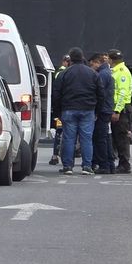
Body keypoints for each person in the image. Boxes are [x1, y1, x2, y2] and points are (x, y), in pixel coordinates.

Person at [51, 47, 99, 175]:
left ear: (70, 59)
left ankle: (68, 166)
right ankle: (87, 166)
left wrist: (57, 113)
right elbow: (100, 93)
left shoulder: (64, 74)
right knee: (86, 139)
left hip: (68, 109)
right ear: (82, 58)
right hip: (88, 110)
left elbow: (56, 94)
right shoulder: (92, 73)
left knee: (68, 138)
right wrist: (97, 110)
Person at [108, 49, 132, 174]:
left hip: (121, 109)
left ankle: (124, 164)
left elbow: (122, 93)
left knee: (121, 138)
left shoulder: (122, 72)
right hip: (119, 108)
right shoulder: (116, 71)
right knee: (117, 137)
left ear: (110, 59)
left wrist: (117, 110)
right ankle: (121, 162)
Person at [90, 52, 116, 174]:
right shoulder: (106, 72)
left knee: (100, 138)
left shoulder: (102, 75)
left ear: (97, 62)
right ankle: (110, 164)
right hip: (107, 108)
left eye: (92, 64)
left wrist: (96, 110)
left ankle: (104, 164)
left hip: (103, 109)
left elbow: (99, 93)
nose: (92, 67)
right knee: (105, 137)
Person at [48, 52, 72, 166]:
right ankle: (57, 155)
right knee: (62, 131)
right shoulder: (62, 72)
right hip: (66, 107)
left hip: (61, 107)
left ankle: (55, 155)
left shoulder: (61, 72)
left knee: (60, 130)